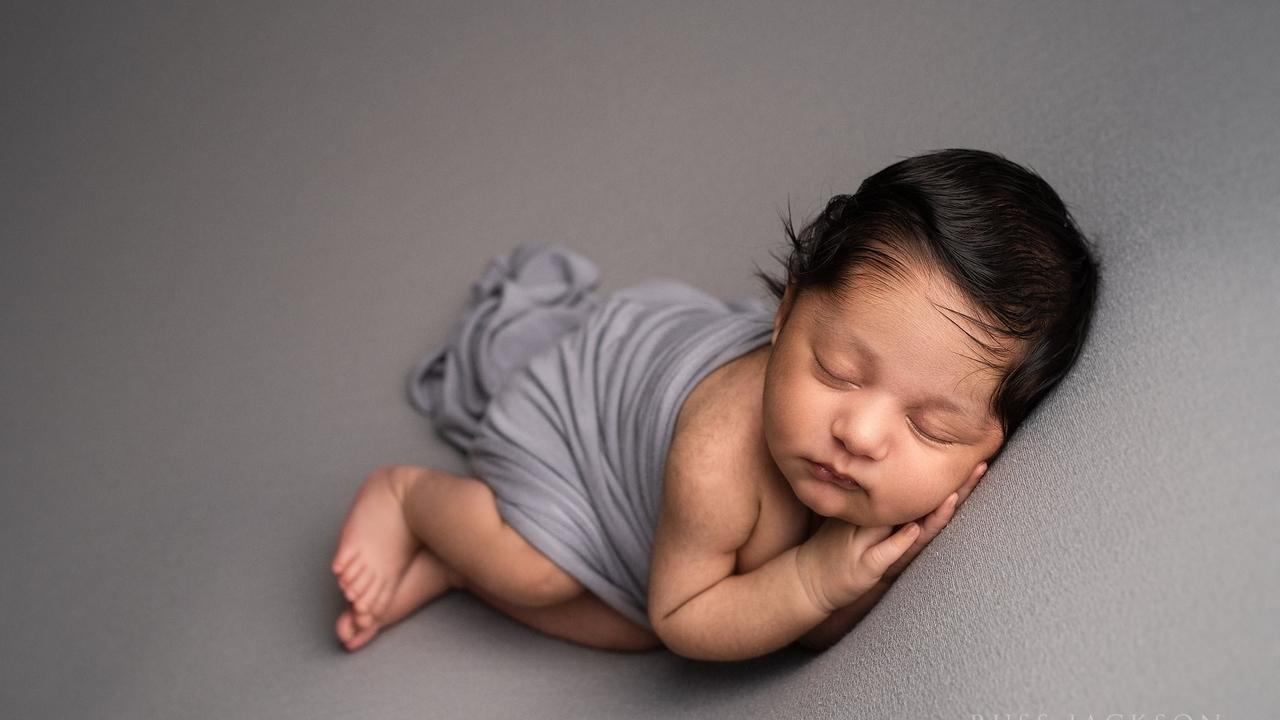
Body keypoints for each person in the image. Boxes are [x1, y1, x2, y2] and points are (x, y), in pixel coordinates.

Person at [330, 148, 1099, 660]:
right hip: (588, 421)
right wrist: (814, 582)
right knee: (559, 583)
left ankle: (458, 574)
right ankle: (414, 501)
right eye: (834, 370)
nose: (860, 433)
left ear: (990, 444)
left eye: (931, 426)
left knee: (626, 627)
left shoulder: (932, 470)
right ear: (787, 309)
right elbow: (684, 620)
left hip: (681, 540)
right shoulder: (718, 456)